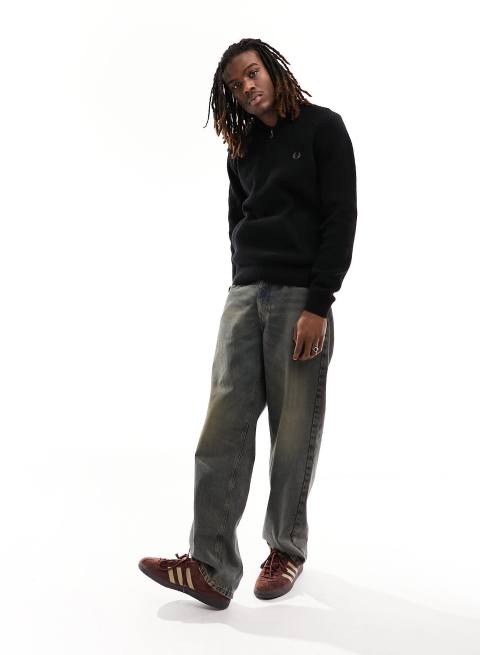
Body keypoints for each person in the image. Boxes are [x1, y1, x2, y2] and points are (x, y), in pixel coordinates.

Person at [138, 37, 357, 610]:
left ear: (273, 70)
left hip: (300, 300)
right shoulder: (243, 149)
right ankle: (210, 567)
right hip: (245, 295)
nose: (246, 87)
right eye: (235, 85)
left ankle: (285, 549)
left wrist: (318, 303)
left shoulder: (324, 129)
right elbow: (238, 219)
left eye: (252, 73)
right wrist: (244, 280)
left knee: (293, 431)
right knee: (223, 425)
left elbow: (341, 218)